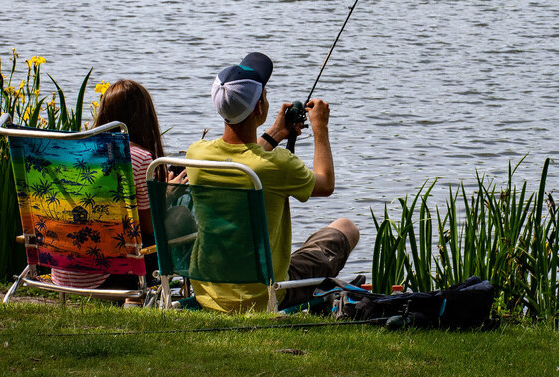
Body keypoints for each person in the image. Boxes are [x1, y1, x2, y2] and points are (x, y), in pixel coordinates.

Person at [185, 52, 359, 313]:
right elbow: (325, 184)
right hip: (264, 295)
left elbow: (246, 161)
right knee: (346, 228)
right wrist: (320, 127)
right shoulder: (277, 164)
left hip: (210, 293)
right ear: (258, 108)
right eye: (264, 94)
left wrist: (276, 133)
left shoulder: (197, 154)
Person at [51, 78, 164, 290]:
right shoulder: (139, 158)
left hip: (63, 270)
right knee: (165, 232)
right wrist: (164, 195)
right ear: (145, 118)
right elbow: (149, 227)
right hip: (107, 275)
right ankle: (136, 297)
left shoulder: (73, 152)